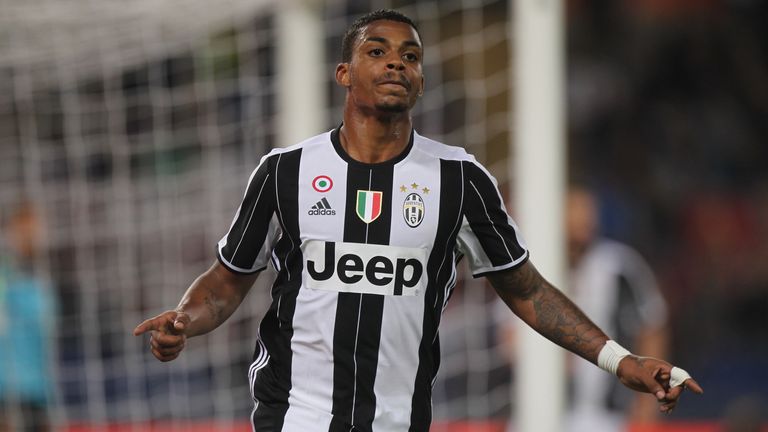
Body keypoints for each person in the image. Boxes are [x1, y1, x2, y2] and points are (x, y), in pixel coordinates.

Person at [134, 9, 703, 431]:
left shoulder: (458, 179)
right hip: (294, 416)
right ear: (343, 73)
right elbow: (228, 280)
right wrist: (185, 318)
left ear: (422, 82)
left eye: (410, 56)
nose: (396, 64)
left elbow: (525, 288)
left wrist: (619, 360)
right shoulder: (286, 171)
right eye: (377, 51)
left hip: (399, 421)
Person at [564, 186, 670, 432]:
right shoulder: (532, 267)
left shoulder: (620, 266)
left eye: (589, 209)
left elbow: (652, 328)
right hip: (543, 411)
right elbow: (508, 339)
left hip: (608, 418)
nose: (585, 218)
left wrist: (650, 398)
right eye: (575, 208)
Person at [0, 202, 57, 432]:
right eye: (24, 229)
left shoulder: (43, 280)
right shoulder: (5, 275)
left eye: (35, 229)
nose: (32, 236)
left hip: (38, 390)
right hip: (5, 389)